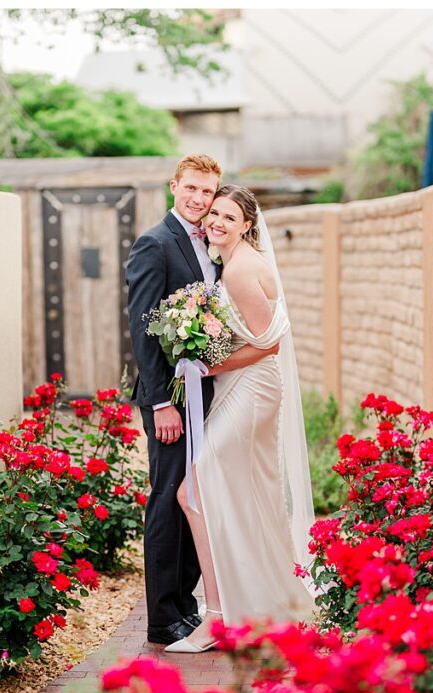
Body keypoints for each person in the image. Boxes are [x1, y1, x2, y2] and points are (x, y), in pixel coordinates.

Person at [126, 155, 279, 646]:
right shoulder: (154, 244)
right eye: (190, 188)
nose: (198, 199)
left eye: (207, 192)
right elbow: (144, 331)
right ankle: (162, 616)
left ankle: (189, 606)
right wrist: (159, 404)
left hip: (209, 393)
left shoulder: (212, 247)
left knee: (201, 493)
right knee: (171, 500)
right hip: (171, 399)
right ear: (174, 186)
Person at [164, 184, 316, 653]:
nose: (217, 223)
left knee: (195, 492)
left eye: (229, 217)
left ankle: (218, 615)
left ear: (247, 224)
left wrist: (205, 364)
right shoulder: (232, 264)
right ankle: (259, 599)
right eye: (213, 215)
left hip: (251, 389)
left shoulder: (241, 271)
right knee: (242, 492)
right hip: (242, 387)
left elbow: (267, 344)